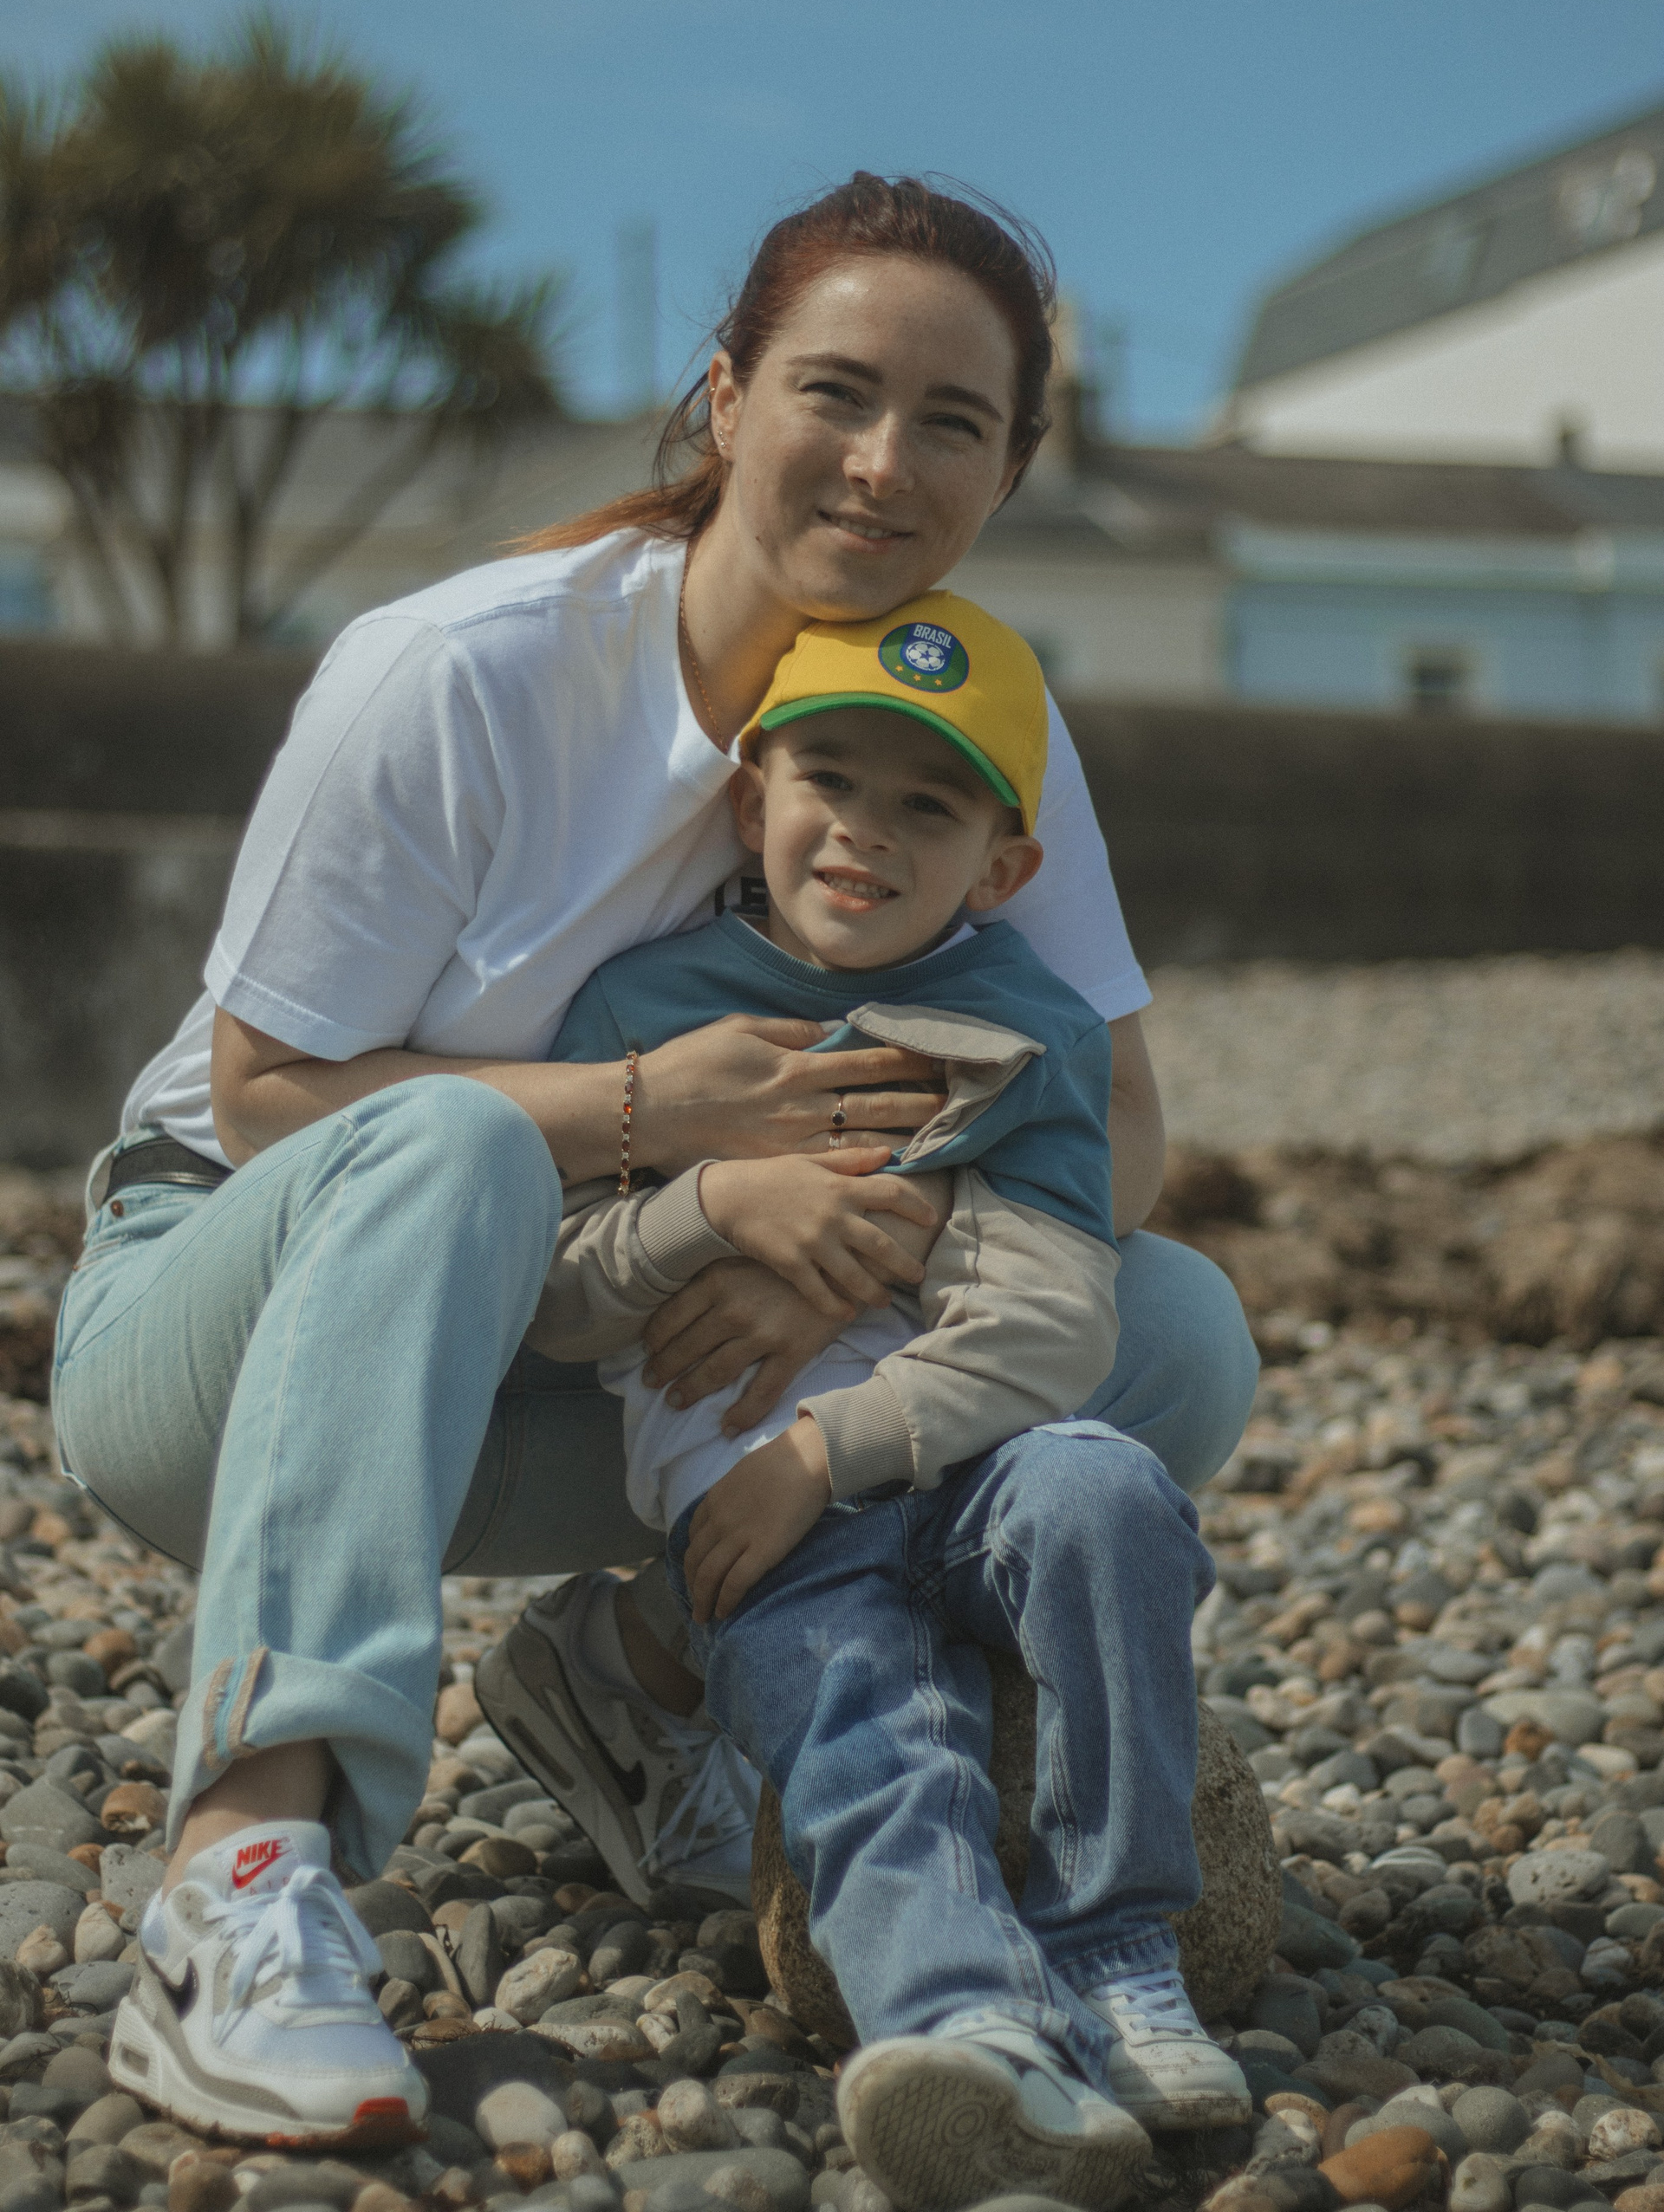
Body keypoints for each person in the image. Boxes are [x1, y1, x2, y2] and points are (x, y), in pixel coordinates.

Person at [50, 172, 1258, 2148]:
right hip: (240, 1330)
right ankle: (240, 1880)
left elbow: (1119, 1125)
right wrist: (664, 1126)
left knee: (1176, 1333)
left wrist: (838, 1253)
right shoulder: (466, 672)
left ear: (1013, 468)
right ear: (727, 397)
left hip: (602, 1341)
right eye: (835, 393)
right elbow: (265, 1094)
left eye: (952, 421)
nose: (883, 463)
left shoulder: (962, 724)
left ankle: (645, 1670)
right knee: (455, 1148)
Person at [522, 592, 1248, 2211]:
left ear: (1002, 867)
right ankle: (960, 2031)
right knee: (867, 1727)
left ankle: (1118, 1946)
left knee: (1109, 1494)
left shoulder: (1029, 1029)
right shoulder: (646, 1016)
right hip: (752, 1524)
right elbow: (560, 1300)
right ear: (750, 800)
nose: (865, 829)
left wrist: (818, 1447)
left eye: (929, 805)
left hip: (963, 1469)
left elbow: (1055, 1319)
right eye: (829, 779)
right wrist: (710, 1207)